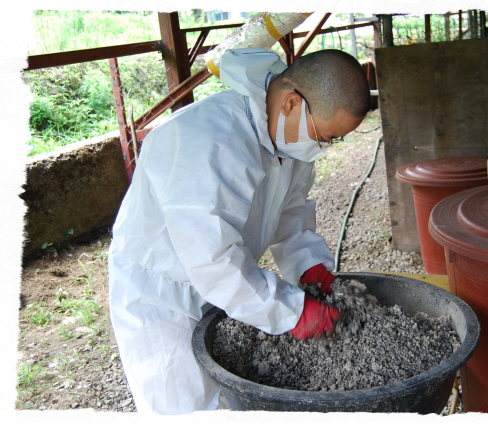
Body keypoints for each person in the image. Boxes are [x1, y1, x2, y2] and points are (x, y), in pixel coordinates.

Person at [108, 47, 370, 414]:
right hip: (163, 294)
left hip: (222, 286)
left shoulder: (292, 141)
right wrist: (292, 312)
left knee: (227, 398)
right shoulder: (209, 139)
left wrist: (309, 264)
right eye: (324, 137)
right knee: (182, 405)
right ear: (292, 103)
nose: (322, 148)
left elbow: (290, 212)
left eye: (332, 140)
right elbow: (212, 258)